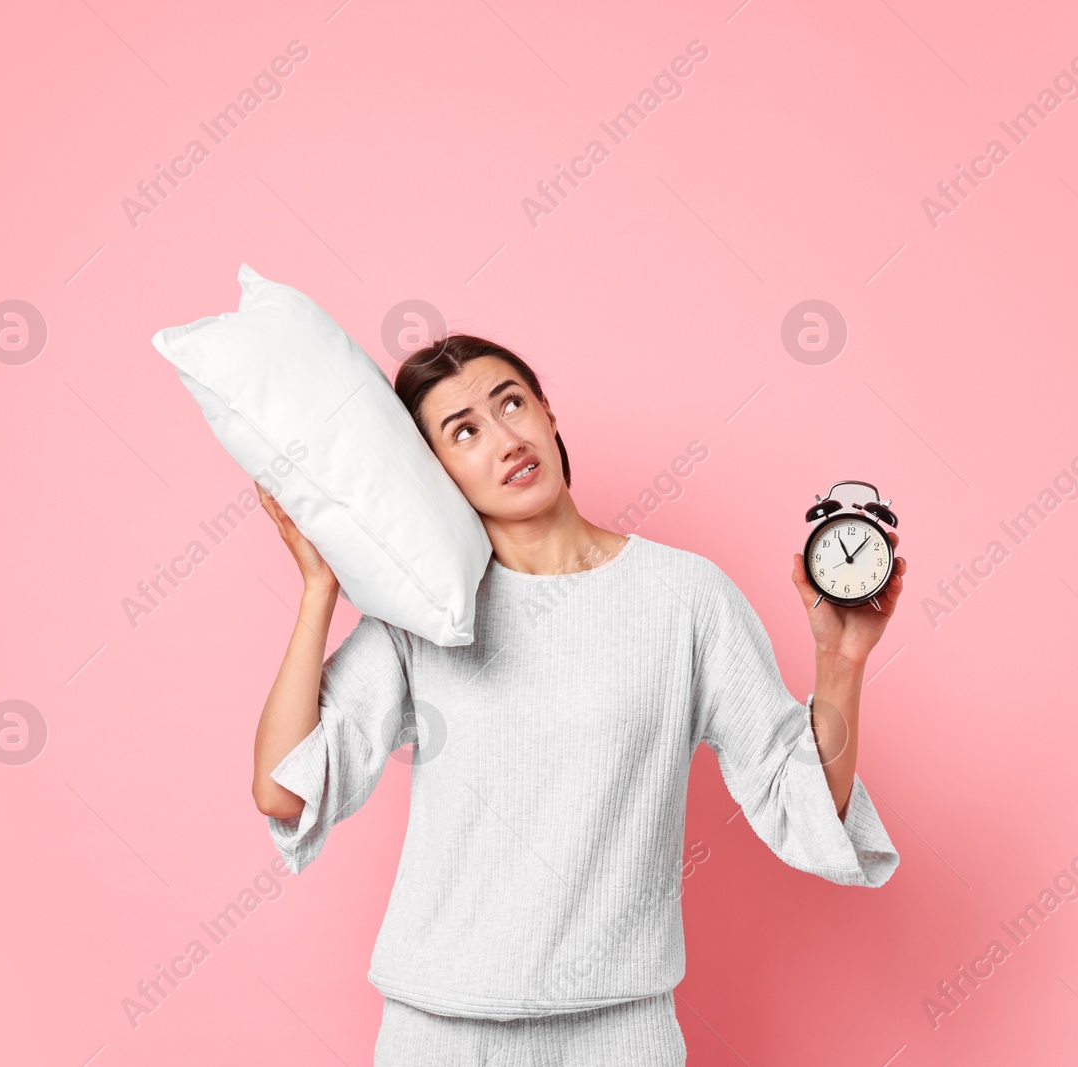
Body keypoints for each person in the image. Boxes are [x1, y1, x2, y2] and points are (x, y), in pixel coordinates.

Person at [250, 334, 907, 1065]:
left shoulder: (685, 597)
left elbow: (802, 796)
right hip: (438, 1031)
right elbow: (284, 788)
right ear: (433, 473)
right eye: (464, 430)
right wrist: (319, 590)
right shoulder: (426, 616)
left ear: (549, 415)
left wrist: (840, 661)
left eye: (511, 403)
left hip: (618, 1033)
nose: (505, 438)